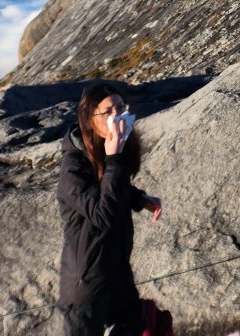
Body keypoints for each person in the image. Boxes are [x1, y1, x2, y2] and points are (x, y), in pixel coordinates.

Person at [56, 82, 163, 336]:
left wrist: (139, 198)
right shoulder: (73, 168)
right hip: (87, 282)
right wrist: (115, 159)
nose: (117, 116)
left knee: (134, 326)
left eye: (121, 107)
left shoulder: (106, 150)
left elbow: (109, 188)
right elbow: (103, 215)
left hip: (117, 271)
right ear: (90, 120)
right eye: (107, 112)